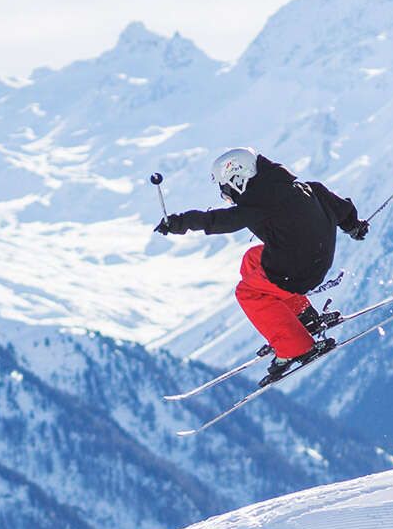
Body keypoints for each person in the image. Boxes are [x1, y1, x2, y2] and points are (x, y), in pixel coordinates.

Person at [155, 147, 369, 382]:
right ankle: (304, 317)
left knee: (248, 293)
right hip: (315, 256)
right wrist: (353, 225)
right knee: (252, 259)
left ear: (238, 179)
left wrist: (178, 223)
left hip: (296, 270)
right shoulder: (294, 187)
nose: (227, 197)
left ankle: (295, 346)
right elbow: (327, 197)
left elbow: (219, 221)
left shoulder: (260, 202)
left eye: (226, 190)